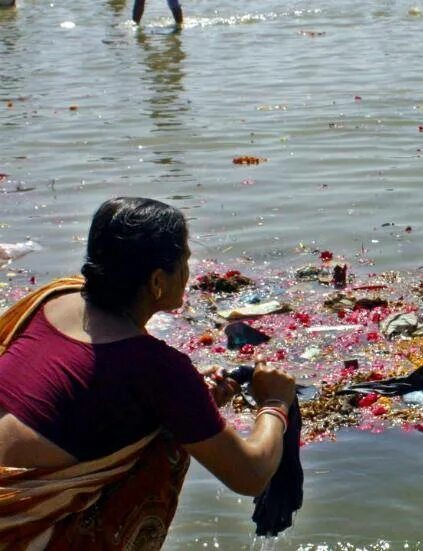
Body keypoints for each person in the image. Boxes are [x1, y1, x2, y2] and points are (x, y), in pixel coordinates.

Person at [0, 197, 295, 549]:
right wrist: (275, 403)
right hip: (18, 529)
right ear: (157, 281)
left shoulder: (54, 298)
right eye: (185, 260)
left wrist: (188, 395)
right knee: (166, 441)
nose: (189, 271)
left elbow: (96, 382)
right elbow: (250, 475)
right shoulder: (159, 369)